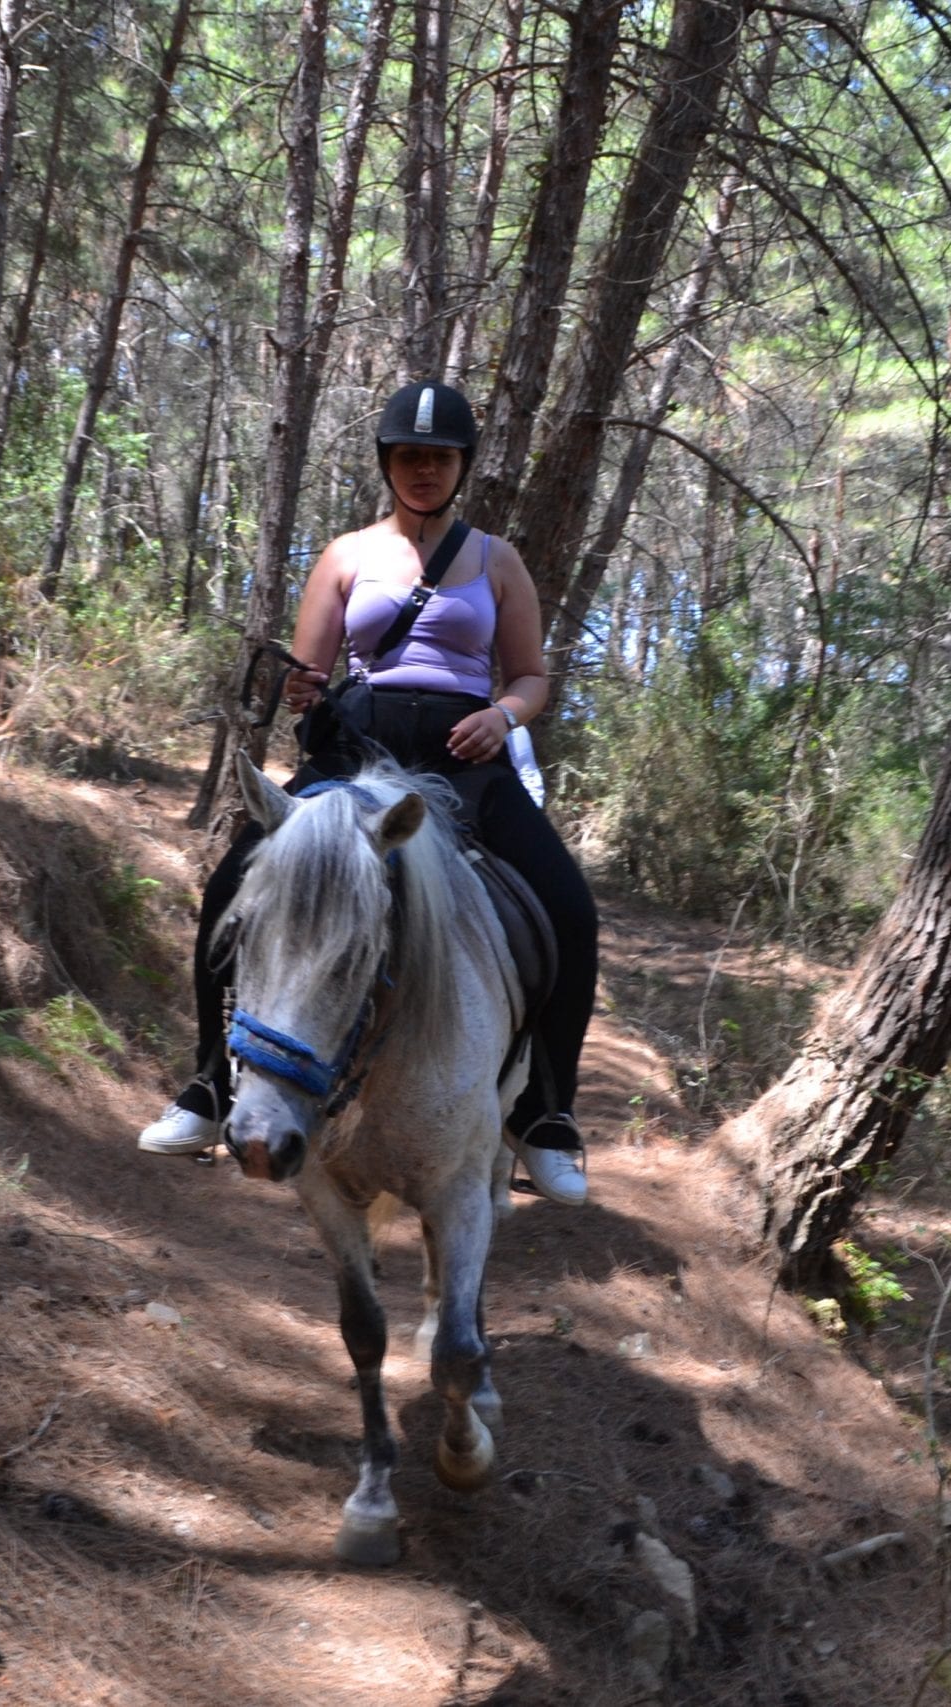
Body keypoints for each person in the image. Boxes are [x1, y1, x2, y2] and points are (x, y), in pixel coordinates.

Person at [137, 380, 600, 1206]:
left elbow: (532, 675)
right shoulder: (346, 553)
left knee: (567, 904)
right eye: (410, 455)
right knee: (231, 886)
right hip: (358, 749)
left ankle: (543, 1112)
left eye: (441, 457)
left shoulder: (497, 560)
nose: (424, 469)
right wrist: (301, 690)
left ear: (462, 467)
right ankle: (209, 1083)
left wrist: (501, 715)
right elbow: (312, 669)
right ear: (389, 462)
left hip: (466, 758)